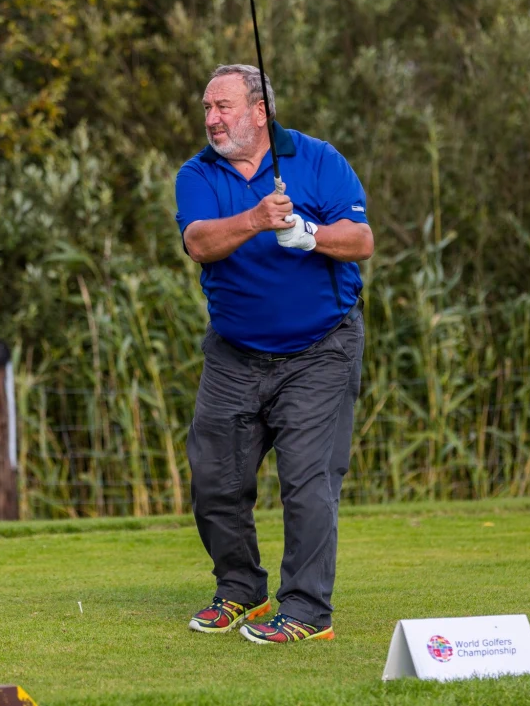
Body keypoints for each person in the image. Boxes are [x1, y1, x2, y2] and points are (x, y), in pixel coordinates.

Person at [174, 64, 374, 644]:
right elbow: (198, 243)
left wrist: (309, 234)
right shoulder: (197, 173)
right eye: (207, 108)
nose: (212, 119)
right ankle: (241, 592)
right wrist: (257, 219)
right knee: (215, 478)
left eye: (224, 107)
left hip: (322, 349)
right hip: (235, 353)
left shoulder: (317, 158)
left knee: (309, 482)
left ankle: (308, 611)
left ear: (260, 112)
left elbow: (360, 240)